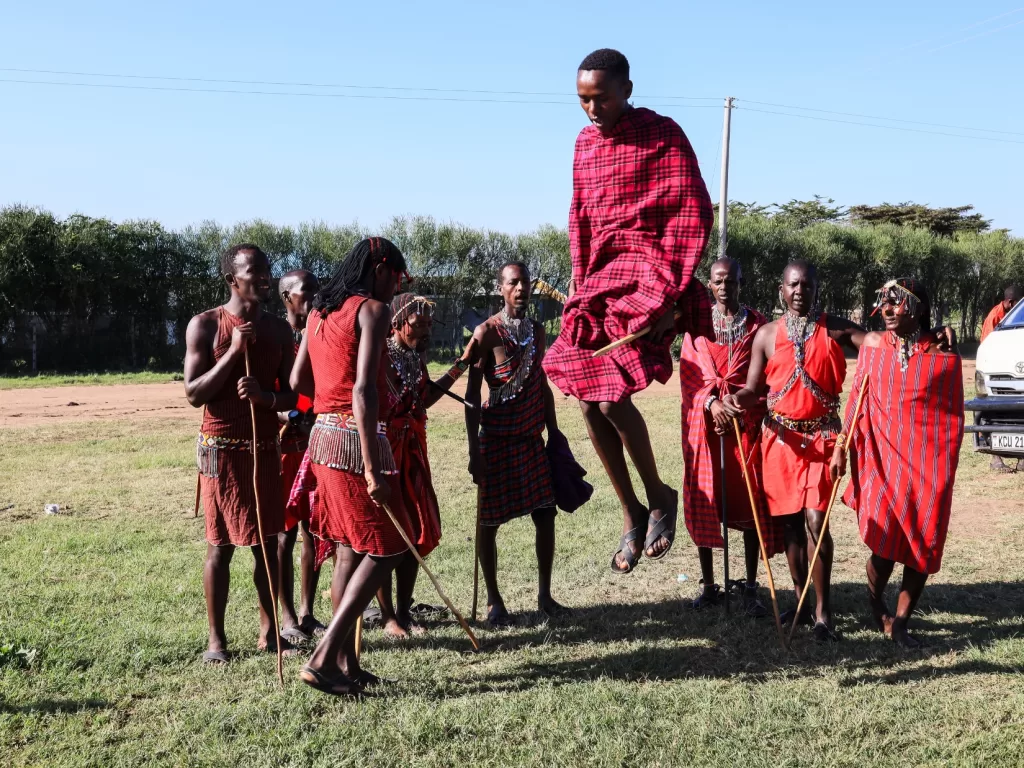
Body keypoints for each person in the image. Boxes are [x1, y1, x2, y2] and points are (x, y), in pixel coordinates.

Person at [542, 48, 714, 575]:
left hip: (649, 281)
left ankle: (660, 495)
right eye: (582, 100)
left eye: (601, 98)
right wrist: (579, 281)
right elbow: (580, 216)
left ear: (627, 91)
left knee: (610, 397)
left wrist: (670, 300)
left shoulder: (663, 137)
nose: (591, 110)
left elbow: (692, 212)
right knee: (587, 402)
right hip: (597, 283)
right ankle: (633, 510)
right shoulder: (583, 146)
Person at [722, 260, 957, 642]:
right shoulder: (765, 334)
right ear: (781, 289)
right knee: (790, 526)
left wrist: (931, 332)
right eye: (793, 285)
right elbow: (752, 389)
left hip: (821, 441)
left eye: (807, 285)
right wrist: (732, 400)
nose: (800, 291)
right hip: (778, 442)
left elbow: (885, 342)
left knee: (817, 521)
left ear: (817, 290)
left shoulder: (836, 329)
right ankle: (799, 598)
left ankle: (822, 611)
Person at [291, 237, 411, 696]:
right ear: (380, 269)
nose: (395, 290)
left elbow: (300, 379)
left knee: (347, 549)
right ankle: (324, 659)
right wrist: (371, 465)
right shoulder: (371, 311)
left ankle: (347, 664)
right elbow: (364, 392)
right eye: (396, 278)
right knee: (391, 545)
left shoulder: (318, 312)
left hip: (322, 438)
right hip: (355, 440)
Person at [829, 278, 964, 648]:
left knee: (921, 544)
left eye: (897, 303)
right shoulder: (872, 346)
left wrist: (944, 470)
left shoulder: (942, 355)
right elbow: (857, 399)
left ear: (919, 309)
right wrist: (842, 444)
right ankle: (876, 606)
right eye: (884, 303)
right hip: (882, 461)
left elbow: (952, 418)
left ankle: (902, 623)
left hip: (927, 465)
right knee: (885, 547)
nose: (887, 309)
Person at [183, 243, 300, 664]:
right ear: (233, 279)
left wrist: (267, 398)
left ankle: (270, 634)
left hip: (265, 449)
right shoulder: (204, 325)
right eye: (254, 271)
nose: (265, 276)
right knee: (220, 546)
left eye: (268, 269)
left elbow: (293, 392)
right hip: (222, 451)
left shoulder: (279, 330)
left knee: (268, 544)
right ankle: (217, 641)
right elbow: (194, 393)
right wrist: (232, 353)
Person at [677, 258, 785, 616]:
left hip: (746, 425)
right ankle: (709, 585)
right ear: (710, 284)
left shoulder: (757, 325)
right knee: (706, 497)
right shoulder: (696, 325)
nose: (726, 287)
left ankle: (751, 586)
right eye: (719, 281)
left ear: (741, 282)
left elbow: (768, 377)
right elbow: (690, 376)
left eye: (732, 281)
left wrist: (735, 409)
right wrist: (711, 403)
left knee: (752, 502)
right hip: (706, 428)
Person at [466, 261, 567, 626]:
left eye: (525, 282)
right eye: (513, 283)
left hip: (530, 441)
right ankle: (494, 601)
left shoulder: (538, 332)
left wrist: (554, 432)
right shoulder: (486, 334)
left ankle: (545, 595)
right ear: (501, 289)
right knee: (488, 524)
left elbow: (540, 384)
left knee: (545, 514)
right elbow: (472, 399)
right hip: (494, 442)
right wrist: (473, 452)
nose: (520, 289)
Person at [375, 293, 476, 638]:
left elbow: (425, 397)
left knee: (415, 530)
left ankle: (404, 610)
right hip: (386, 453)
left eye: (429, 325)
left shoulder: (415, 357)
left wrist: (461, 364)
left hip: (414, 452)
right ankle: (388, 616)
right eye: (418, 325)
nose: (426, 332)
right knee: (387, 535)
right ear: (397, 324)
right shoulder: (378, 358)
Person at [274, 269, 325, 644]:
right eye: (305, 291)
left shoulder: (320, 333)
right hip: (284, 447)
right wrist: (293, 416)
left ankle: (308, 612)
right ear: (287, 297)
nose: (313, 296)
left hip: (315, 443)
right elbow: (267, 392)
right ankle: (287, 615)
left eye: (316, 290)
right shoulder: (274, 337)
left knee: (314, 530)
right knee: (284, 534)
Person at [980, 284, 1021, 473]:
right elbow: (989, 346)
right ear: (1011, 302)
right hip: (997, 371)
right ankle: (995, 458)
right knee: (995, 413)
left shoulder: (1010, 314)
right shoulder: (995, 317)